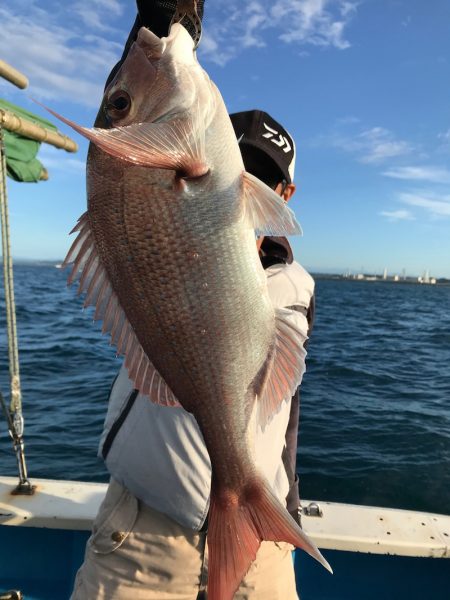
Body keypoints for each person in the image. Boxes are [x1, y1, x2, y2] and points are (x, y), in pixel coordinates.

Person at [71, 3, 315, 599]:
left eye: (264, 177)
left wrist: (283, 498)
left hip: (265, 542)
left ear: (282, 194)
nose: (248, 183)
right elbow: (122, 120)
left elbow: (284, 416)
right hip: (143, 539)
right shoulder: (158, 173)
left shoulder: (298, 286)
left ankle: (248, 504)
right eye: (241, 164)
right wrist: (163, 17)